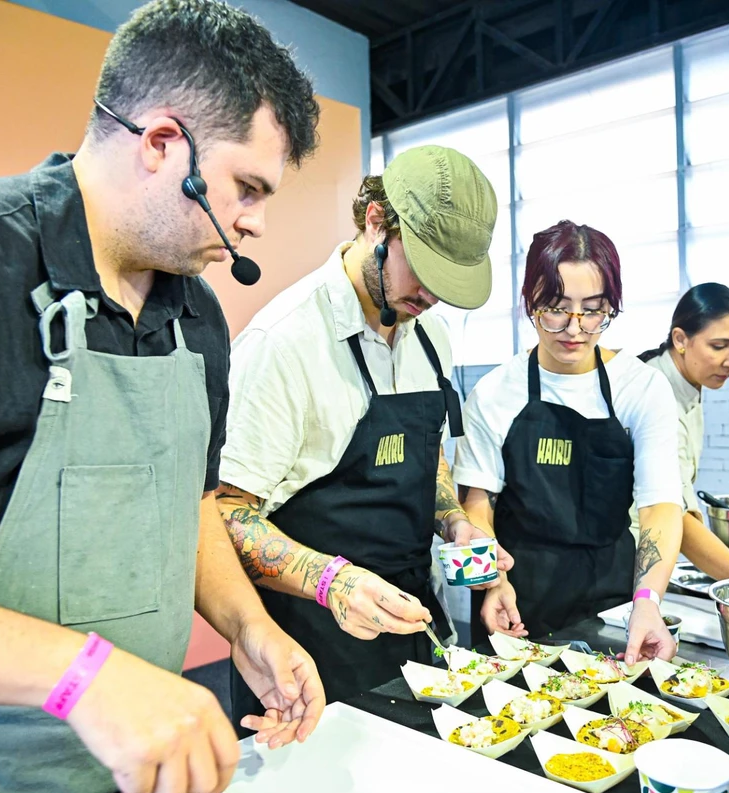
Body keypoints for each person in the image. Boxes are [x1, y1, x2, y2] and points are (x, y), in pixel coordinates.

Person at [0, 2, 324, 793]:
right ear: (161, 144)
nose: (253, 224)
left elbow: (187, 504)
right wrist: (84, 675)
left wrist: (249, 626)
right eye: (246, 189)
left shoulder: (197, 316)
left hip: (118, 776)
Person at [216, 144, 520, 714]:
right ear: (377, 223)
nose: (430, 298)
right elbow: (226, 512)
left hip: (411, 620)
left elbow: (424, 455)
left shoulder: (429, 335)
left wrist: (455, 523)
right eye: (424, 273)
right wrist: (335, 583)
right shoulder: (284, 343)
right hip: (308, 643)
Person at [455, 220, 683, 665]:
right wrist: (489, 583)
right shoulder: (495, 392)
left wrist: (648, 600)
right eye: (555, 309)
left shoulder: (641, 387)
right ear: (529, 304)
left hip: (613, 605)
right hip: (515, 599)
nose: (574, 329)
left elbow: (660, 507)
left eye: (594, 311)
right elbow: (476, 504)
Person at [634, 283, 729, 579]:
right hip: (627, 562)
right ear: (680, 339)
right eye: (719, 346)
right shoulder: (654, 392)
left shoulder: (687, 381)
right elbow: (673, 513)